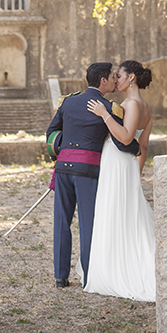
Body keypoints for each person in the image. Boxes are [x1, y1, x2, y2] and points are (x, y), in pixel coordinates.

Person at [46, 62, 139, 287]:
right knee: (89, 224)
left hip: (63, 168)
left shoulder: (68, 101)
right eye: (111, 77)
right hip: (88, 170)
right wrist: (137, 148)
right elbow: (121, 140)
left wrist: (63, 149)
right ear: (103, 81)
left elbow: (51, 133)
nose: (115, 81)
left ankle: (60, 277)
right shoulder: (109, 107)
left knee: (61, 221)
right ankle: (89, 276)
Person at [84, 59, 157, 302]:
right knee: (122, 212)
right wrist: (136, 172)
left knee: (114, 211)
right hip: (127, 166)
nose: (117, 80)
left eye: (120, 76)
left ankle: (115, 268)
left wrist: (105, 114)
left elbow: (126, 138)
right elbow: (143, 146)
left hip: (117, 162)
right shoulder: (145, 107)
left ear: (131, 78)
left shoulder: (133, 104)